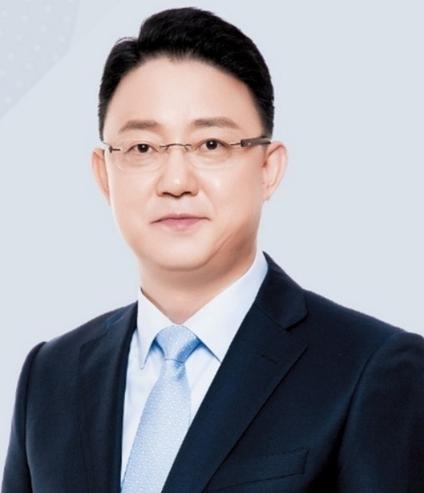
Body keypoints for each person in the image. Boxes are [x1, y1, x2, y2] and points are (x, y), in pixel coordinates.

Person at [2, 6, 424, 493]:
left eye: (211, 145)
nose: (176, 181)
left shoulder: (372, 370)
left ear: (268, 169)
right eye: (143, 148)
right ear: (104, 175)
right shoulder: (50, 377)